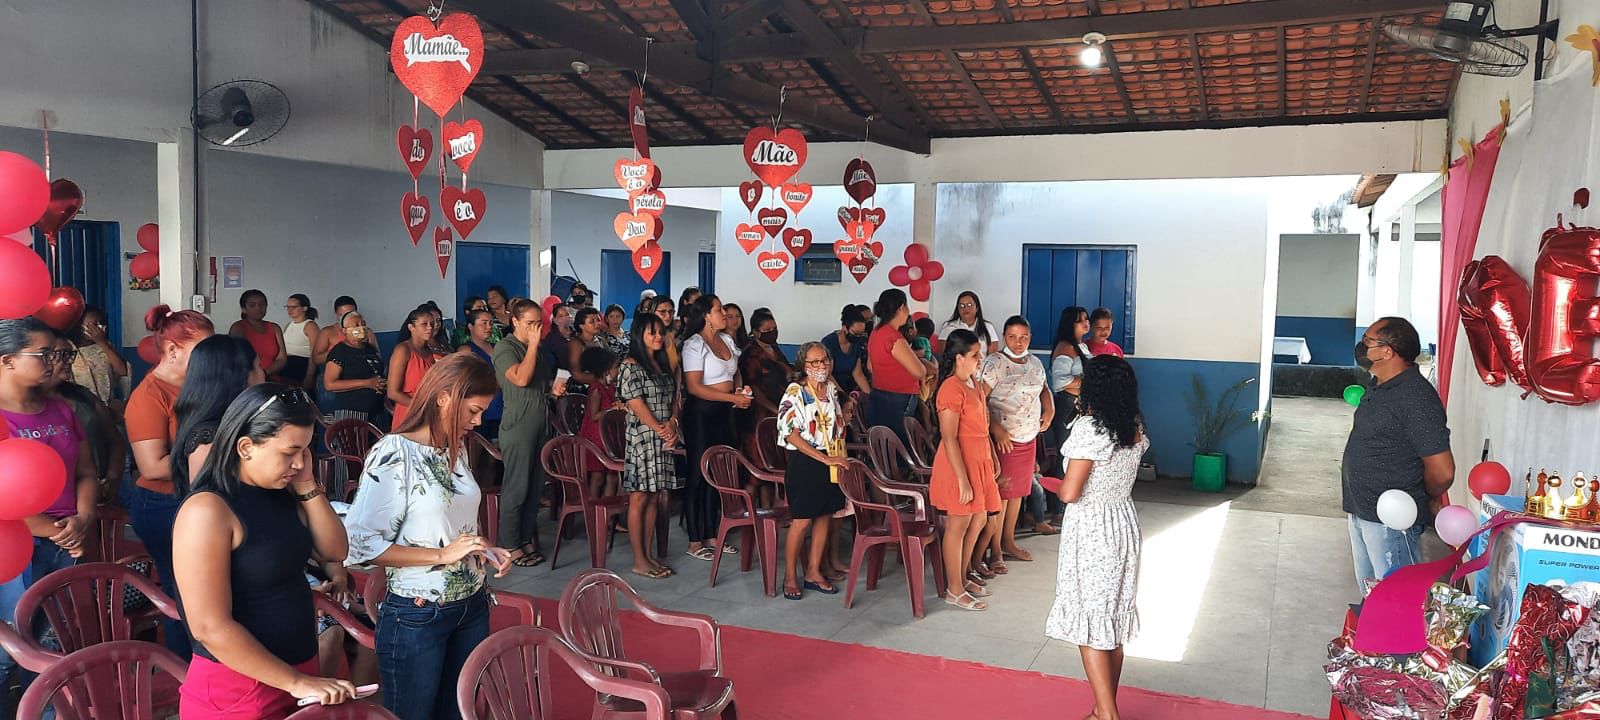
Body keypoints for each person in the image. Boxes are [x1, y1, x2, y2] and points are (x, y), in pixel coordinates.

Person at [172, 384, 358, 718]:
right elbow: (209, 627)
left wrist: (305, 484)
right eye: (289, 452)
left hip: (297, 672)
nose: (299, 462)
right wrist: (295, 681)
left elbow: (334, 551)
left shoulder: (281, 490)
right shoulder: (208, 510)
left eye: (305, 450)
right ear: (246, 447)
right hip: (239, 688)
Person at [343, 354, 510, 720]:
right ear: (444, 397)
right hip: (419, 611)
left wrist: (481, 548)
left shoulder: (455, 447)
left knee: (457, 711)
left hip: (471, 603)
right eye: (474, 411)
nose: (478, 421)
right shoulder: (395, 452)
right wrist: (441, 556)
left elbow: (449, 524)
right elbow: (359, 545)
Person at [0, 319, 99, 697]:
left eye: (56, 353)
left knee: (53, 645)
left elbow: (86, 472)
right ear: (7, 360)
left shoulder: (60, 409)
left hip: (69, 539)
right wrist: (53, 530)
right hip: (16, 548)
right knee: (11, 649)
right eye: (43, 354)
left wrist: (85, 517)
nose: (53, 362)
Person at [1045, 355, 1148, 720]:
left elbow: (1071, 493)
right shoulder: (1132, 424)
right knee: (1112, 621)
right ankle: (1102, 707)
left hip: (1092, 529)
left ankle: (1107, 715)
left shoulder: (1090, 429)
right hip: (1122, 522)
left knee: (1090, 623)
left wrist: (1051, 486)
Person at [124, 304, 215, 658]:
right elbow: (152, 466)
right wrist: (212, 455)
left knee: (206, 589)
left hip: (195, 498)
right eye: (202, 352)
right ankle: (188, 670)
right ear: (173, 350)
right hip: (165, 504)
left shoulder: (195, 388)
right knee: (184, 594)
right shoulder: (149, 397)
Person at [1343, 317, 1454, 592]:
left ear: (1387, 351)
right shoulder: (1380, 385)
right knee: (1372, 598)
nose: (1361, 347)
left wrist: (1422, 496)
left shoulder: (1416, 398)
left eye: (1367, 341)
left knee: (1396, 600)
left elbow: (1443, 471)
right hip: (1363, 509)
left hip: (1391, 520)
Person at [930, 329, 1001, 612]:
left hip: (979, 458)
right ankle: (954, 589)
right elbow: (949, 437)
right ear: (959, 358)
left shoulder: (972, 381)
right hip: (958, 463)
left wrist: (992, 453)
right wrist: (962, 478)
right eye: (974, 355)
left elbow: (981, 425)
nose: (979, 359)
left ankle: (962, 576)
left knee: (979, 519)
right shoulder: (950, 388)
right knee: (958, 525)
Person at [776, 342, 851, 600]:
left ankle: (813, 572)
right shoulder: (795, 392)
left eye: (825, 360)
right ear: (803, 366)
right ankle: (789, 577)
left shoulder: (830, 388)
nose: (821, 366)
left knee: (825, 515)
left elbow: (836, 422)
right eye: (814, 362)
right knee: (802, 520)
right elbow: (791, 434)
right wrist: (822, 458)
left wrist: (838, 455)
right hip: (806, 461)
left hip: (831, 458)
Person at [980, 316, 1054, 572]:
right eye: (1012, 337)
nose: (1018, 342)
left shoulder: (1034, 362)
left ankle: (1009, 541)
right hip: (1004, 440)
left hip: (1027, 436)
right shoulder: (994, 363)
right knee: (1001, 496)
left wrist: (1050, 409)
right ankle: (995, 550)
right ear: (1004, 336)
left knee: (1017, 495)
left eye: (1023, 337)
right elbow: (980, 400)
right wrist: (995, 428)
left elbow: (1044, 389)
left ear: (1030, 338)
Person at [680, 294, 750, 561]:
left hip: (724, 411)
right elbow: (695, 386)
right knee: (698, 474)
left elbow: (734, 372)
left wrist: (739, 390)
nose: (724, 314)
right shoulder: (694, 344)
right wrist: (733, 398)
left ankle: (711, 533)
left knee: (716, 474)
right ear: (706, 316)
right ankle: (694, 539)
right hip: (701, 413)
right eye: (719, 310)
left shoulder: (727, 341)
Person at [492, 298, 558, 569]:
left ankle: (526, 537)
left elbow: (538, 383)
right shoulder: (505, 348)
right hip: (518, 425)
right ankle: (508, 543)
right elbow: (520, 378)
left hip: (540, 421)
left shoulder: (537, 350)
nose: (536, 329)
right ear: (515, 321)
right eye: (530, 323)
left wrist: (553, 390)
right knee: (516, 487)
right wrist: (532, 345)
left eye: (539, 324)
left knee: (534, 487)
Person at [617, 312, 681, 579]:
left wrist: (674, 423)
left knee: (656, 496)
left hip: (664, 435)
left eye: (660, 332)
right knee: (640, 496)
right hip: (643, 438)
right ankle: (639, 559)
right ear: (639, 336)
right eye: (651, 333)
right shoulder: (631, 365)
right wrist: (660, 429)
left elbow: (676, 396)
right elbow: (635, 403)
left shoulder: (662, 364)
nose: (657, 337)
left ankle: (649, 553)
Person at [171, 336, 265, 497]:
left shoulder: (241, 421)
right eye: (258, 366)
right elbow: (205, 500)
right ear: (242, 377)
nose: (263, 373)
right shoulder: (207, 436)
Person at [45, 335, 124, 506]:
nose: (69, 361)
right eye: (61, 355)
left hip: (95, 496)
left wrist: (112, 476)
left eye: (70, 354)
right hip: (51, 503)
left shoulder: (83, 396)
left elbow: (114, 440)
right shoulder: (25, 406)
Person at [865, 289, 928, 441]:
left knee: (884, 443)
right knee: (899, 443)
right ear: (901, 308)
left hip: (879, 393)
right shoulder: (894, 337)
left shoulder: (876, 332)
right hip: (899, 397)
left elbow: (870, 366)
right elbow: (920, 372)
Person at [323, 311, 389, 429]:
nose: (361, 328)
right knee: (356, 446)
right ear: (344, 330)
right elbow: (330, 384)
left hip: (377, 411)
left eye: (363, 324)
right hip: (353, 413)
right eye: (356, 325)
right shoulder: (339, 351)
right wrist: (366, 383)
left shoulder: (369, 349)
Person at [741, 308, 791, 464]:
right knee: (761, 460)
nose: (772, 333)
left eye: (774, 329)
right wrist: (774, 409)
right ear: (755, 332)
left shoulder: (774, 348)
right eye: (767, 330)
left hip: (780, 410)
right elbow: (753, 387)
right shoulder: (751, 354)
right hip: (760, 414)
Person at [577, 346, 621, 500]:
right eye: (616, 367)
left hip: (608, 436)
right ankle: (593, 509)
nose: (618, 371)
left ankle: (607, 516)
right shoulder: (596, 389)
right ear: (606, 370)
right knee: (598, 477)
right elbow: (594, 415)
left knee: (612, 477)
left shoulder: (610, 387)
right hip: (597, 438)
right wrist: (612, 409)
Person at [388, 307, 441, 428]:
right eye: (424, 324)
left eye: (432, 324)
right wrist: (420, 406)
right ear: (411, 327)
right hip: (409, 413)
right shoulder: (403, 350)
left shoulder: (429, 351)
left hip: (428, 413)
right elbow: (392, 393)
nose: (430, 327)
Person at [456, 309, 504, 440]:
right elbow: (464, 381)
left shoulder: (497, 347)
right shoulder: (466, 350)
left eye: (490, 323)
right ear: (471, 326)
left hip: (501, 405)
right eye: (483, 323)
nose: (488, 327)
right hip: (480, 408)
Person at [69, 305, 128, 408]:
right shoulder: (69, 350)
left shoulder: (106, 347)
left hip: (107, 408)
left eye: (102, 323)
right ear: (79, 326)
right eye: (95, 324)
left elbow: (123, 371)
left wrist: (103, 343)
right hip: (81, 409)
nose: (100, 328)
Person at [230, 289, 288, 381]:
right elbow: (236, 359)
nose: (258, 308)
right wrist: (256, 376)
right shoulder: (238, 328)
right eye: (252, 305)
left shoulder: (275, 327)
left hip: (272, 379)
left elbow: (282, 358)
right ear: (243, 309)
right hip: (247, 381)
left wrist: (265, 373)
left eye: (262, 305)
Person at [821, 305, 872, 395]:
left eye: (861, 334)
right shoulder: (829, 343)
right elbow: (828, 375)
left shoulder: (856, 344)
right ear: (844, 327)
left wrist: (870, 395)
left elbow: (858, 374)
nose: (858, 337)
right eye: (855, 333)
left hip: (849, 389)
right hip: (830, 390)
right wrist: (843, 396)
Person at [315, 296, 375, 366]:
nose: (346, 317)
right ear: (336, 314)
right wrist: (341, 350)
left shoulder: (366, 332)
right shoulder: (327, 332)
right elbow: (317, 359)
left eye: (350, 314)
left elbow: (377, 356)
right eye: (342, 315)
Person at [939, 291, 1000, 358]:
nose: (966, 308)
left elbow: (993, 357)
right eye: (962, 306)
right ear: (958, 309)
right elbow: (944, 356)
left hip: (982, 367)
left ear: (977, 308)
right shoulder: (948, 327)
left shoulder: (988, 327)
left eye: (969, 305)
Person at [279, 294, 319, 391]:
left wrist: (309, 376)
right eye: (287, 307)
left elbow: (315, 353)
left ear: (304, 308)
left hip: (301, 365)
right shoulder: (289, 324)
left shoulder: (310, 326)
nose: (289, 310)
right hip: (286, 364)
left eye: (293, 307)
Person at [566, 306, 606, 391]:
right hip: (583, 389)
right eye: (592, 322)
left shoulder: (601, 340)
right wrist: (599, 380)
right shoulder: (575, 344)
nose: (597, 324)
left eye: (598, 320)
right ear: (581, 326)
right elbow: (576, 374)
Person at [650, 296, 680, 371]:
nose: (668, 316)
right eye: (662, 312)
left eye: (671, 312)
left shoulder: (671, 335)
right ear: (652, 312)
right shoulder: (647, 337)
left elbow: (676, 366)